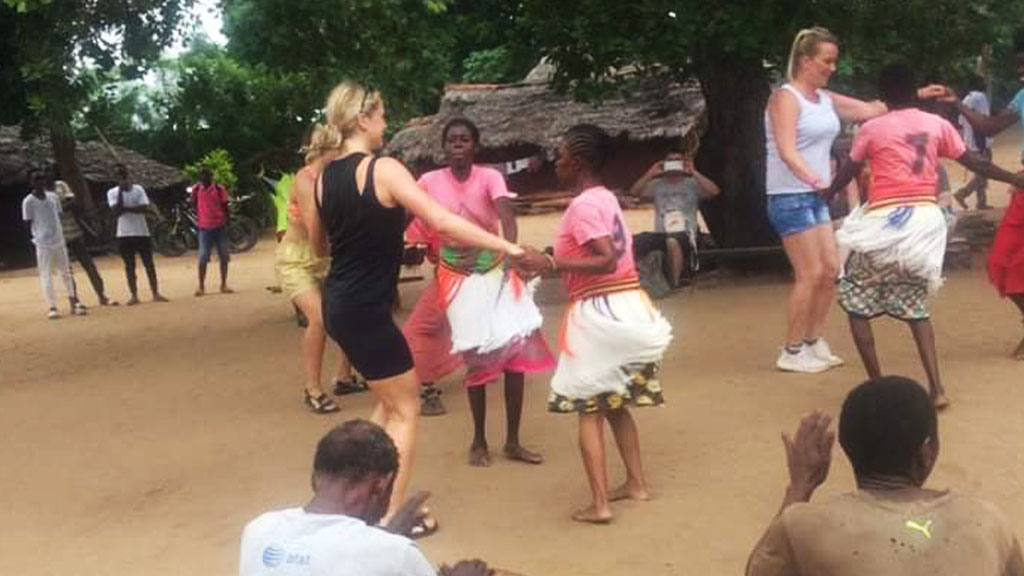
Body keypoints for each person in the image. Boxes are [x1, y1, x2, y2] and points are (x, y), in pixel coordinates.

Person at [304, 81, 524, 531]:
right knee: (407, 409)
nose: (386, 123)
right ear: (363, 119)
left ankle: (350, 500)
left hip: (340, 305)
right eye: (382, 114)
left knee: (387, 405)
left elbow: (319, 247)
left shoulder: (324, 178)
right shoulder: (383, 169)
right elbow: (441, 220)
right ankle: (388, 520)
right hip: (365, 309)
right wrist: (508, 248)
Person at [825, 64, 1024, 409]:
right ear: (914, 90)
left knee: (855, 300)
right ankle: (937, 388)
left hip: (885, 219)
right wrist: (1015, 178)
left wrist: (825, 193)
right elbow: (975, 162)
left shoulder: (871, 129)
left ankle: (878, 386)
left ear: (883, 96)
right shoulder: (937, 124)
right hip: (923, 223)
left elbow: (849, 171)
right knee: (916, 307)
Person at [765, 27, 946, 374]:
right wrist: (817, 180)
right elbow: (787, 151)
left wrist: (916, 93)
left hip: (816, 194)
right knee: (810, 272)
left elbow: (869, 110)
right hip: (790, 195)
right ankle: (791, 350)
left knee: (832, 269)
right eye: (827, 61)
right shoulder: (785, 98)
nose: (832, 67)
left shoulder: (824, 98)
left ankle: (813, 341)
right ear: (806, 60)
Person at [518, 124, 673, 524]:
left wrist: (551, 262)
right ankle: (635, 483)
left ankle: (600, 504)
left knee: (589, 409)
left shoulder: (583, 206)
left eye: (561, 155)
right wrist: (550, 260)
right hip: (625, 305)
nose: (556, 161)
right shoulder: (604, 198)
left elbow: (604, 259)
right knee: (615, 403)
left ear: (580, 161)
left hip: (601, 313)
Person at [746, 376, 1024, 576]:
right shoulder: (986, 521)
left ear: (845, 446)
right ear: (928, 451)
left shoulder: (802, 525)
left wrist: (799, 488)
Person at [417, 118, 555, 467]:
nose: (458, 145)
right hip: (456, 274)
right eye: (452, 140)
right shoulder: (429, 182)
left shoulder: (490, 177)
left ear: (475, 146)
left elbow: (507, 217)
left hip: (495, 268)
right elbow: (413, 217)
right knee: (475, 353)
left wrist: (510, 252)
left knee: (515, 352)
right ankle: (478, 441)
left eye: (465, 140)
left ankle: (513, 441)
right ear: (444, 147)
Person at [239, 420, 490, 576]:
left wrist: (387, 536)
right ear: (380, 486)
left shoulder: (259, 530)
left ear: (315, 478)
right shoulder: (396, 555)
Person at [276, 132, 367, 414]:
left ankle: (343, 376)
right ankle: (312, 389)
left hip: (327, 256)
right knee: (321, 318)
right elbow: (316, 228)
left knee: (348, 313)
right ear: (326, 151)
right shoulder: (305, 180)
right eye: (340, 153)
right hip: (298, 260)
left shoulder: (334, 178)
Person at [955, 31, 1024, 359]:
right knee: (1000, 261)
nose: (1021, 72)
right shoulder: (1023, 96)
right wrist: (955, 103)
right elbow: (989, 127)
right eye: (1019, 66)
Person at [629, 148, 720, 288]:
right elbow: (634, 192)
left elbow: (714, 191)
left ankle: (674, 284)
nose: (674, 163)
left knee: (672, 241)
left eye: (677, 160)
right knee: (631, 242)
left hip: (686, 233)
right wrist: (651, 173)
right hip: (661, 233)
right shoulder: (656, 185)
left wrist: (693, 171)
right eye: (670, 160)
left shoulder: (692, 183)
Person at [402, 216, 462, 417]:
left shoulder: (422, 214)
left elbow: (413, 259)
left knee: (416, 330)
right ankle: (490, 365)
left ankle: (429, 392)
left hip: (456, 275)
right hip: (478, 270)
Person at [22, 168, 87, 319]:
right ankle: (52, 306)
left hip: (59, 240)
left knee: (66, 272)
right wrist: (36, 238)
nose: (40, 181)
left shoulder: (53, 197)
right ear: (31, 182)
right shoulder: (28, 202)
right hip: (43, 244)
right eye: (36, 179)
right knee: (46, 274)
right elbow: (27, 222)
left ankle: (74, 302)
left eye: (42, 178)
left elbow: (58, 216)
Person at [107, 164, 168, 305]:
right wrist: (121, 194)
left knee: (149, 264)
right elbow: (116, 212)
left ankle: (155, 292)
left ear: (128, 175)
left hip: (141, 232)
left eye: (123, 175)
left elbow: (144, 208)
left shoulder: (138, 189)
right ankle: (134, 295)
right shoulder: (112, 192)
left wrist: (125, 208)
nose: (122, 179)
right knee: (129, 266)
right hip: (124, 234)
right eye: (119, 176)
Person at [54, 179, 114, 306]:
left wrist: (59, 208)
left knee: (89, 266)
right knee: (67, 270)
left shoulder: (61, 185)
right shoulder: (43, 193)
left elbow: (74, 203)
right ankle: (74, 299)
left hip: (75, 232)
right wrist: (64, 206)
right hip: (58, 236)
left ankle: (101, 295)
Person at [954, 74, 993, 210]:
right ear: (977, 84)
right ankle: (963, 193)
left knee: (981, 173)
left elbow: (961, 122)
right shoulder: (980, 97)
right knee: (985, 172)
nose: (985, 84)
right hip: (980, 141)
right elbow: (982, 121)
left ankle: (981, 202)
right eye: (983, 82)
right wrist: (983, 145)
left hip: (970, 142)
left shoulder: (966, 99)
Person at [192, 168, 234, 296]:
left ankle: (223, 284)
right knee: (203, 257)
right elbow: (193, 204)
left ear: (211, 177)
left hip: (219, 226)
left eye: (206, 176)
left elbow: (225, 206)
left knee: (224, 256)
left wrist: (226, 221)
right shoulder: (196, 190)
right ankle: (201, 286)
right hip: (204, 227)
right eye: (202, 176)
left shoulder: (219, 189)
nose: (204, 178)